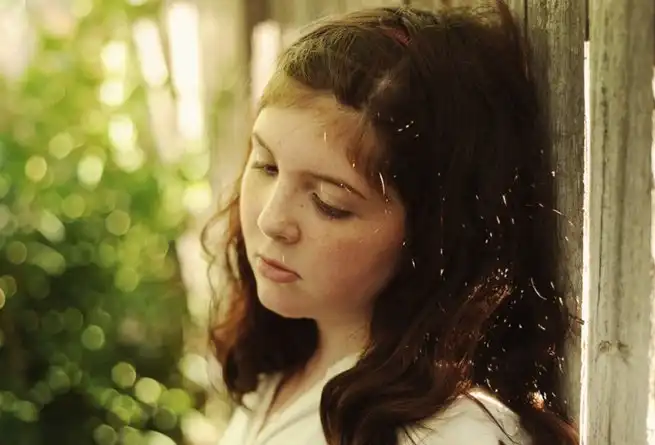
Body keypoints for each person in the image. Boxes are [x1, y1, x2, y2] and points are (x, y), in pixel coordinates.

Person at [206, 1, 580, 444]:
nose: (272, 220)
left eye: (329, 203)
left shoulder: (450, 433)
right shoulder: (288, 359)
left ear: (433, 234)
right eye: (266, 166)